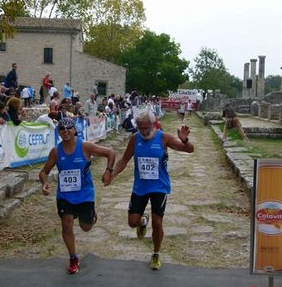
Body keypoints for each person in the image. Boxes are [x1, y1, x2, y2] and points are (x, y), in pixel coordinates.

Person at [112, 110, 194, 270]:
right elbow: (123, 160)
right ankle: (143, 221)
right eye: (140, 128)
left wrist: (185, 141)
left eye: (146, 127)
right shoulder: (135, 138)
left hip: (159, 187)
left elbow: (189, 150)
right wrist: (111, 175)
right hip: (140, 187)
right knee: (132, 222)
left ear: (153, 124)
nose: (143, 131)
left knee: (158, 222)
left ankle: (156, 254)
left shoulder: (163, 137)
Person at [39, 117, 116, 274]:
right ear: (58, 132)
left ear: (75, 130)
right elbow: (44, 172)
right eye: (62, 128)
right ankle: (73, 258)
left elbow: (111, 152)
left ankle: (90, 215)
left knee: (85, 227)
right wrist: (44, 183)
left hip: (84, 194)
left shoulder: (85, 146)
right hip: (65, 195)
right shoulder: (56, 152)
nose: (65, 131)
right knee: (66, 223)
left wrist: (108, 171)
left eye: (69, 128)